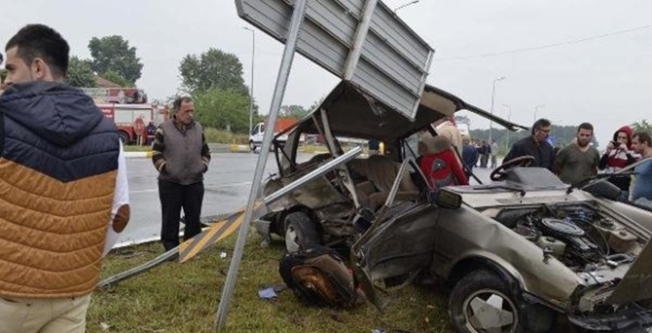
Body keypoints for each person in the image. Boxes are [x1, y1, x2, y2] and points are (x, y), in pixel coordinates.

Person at [0, 24, 129, 332]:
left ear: (38, 67)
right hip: (72, 293)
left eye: (10, 70)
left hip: (9, 296)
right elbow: (119, 214)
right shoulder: (108, 132)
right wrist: (75, 263)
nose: (6, 81)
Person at [152, 96, 211, 252]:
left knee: (193, 219)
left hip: (194, 182)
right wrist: (164, 167)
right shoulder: (163, 128)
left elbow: (206, 152)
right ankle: (171, 250)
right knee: (170, 218)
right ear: (177, 111)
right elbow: (156, 152)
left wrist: (203, 166)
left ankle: (191, 248)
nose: (190, 114)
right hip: (170, 182)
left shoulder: (199, 128)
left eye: (192, 111)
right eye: (186, 111)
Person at [598, 126, 638, 193]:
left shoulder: (633, 152)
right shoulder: (612, 151)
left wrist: (626, 152)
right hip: (608, 186)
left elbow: (634, 167)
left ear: (629, 139)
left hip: (622, 189)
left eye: (624, 138)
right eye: (619, 137)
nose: (621, 140)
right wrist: (607, 152)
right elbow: (601, 167)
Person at [629, 131, 652, 205]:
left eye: (635, 143)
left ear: (645, 143)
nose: (632, 146)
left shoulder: (650, 160)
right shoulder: (639, 161)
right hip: (638, 204)